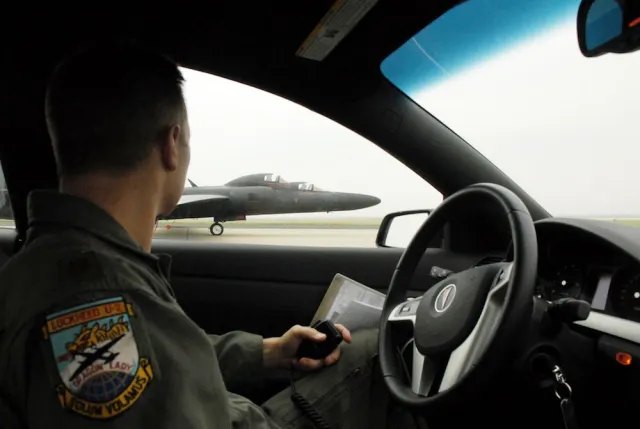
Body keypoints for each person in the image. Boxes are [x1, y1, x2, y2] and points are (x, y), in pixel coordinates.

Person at [0, 42, 417, 428]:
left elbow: (169, 356)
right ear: (172, 144)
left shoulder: (64, 268)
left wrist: (267, 353)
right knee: (375, 352)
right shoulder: (100, 299)